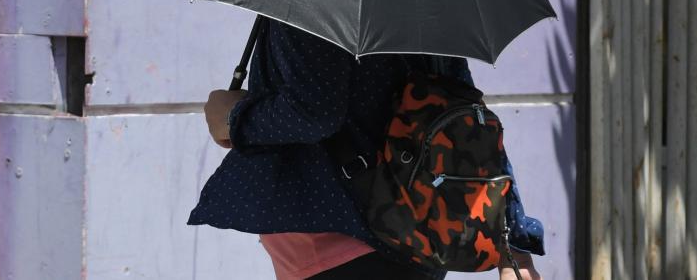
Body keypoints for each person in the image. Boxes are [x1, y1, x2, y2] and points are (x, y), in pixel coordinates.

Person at [189, 18, 544, 280]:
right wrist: (514, 243)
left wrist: (234, 117)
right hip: (413, 239)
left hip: (339, 245)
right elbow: (468, 122)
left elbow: (315, 112)